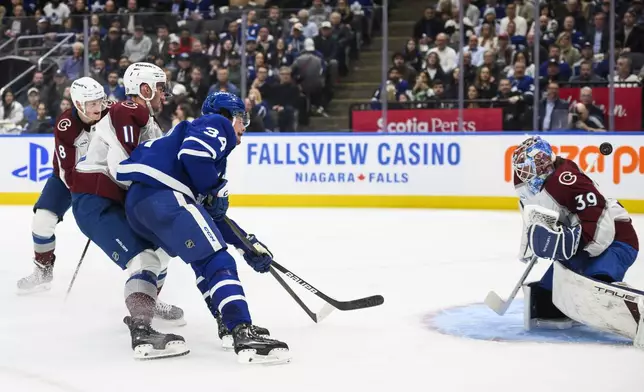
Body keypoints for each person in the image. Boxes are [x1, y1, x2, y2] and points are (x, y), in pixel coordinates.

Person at [116, 92, 291, 365]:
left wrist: (246, 245)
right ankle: (242, 331)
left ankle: (226, 323)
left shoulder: (193, 154)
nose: (244, 127)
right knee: (217, 259)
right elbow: (194, 155)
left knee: (203, 259)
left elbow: (211, 219)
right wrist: (216, 189)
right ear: (227, 115)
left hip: (142, 206)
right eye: (242, 118)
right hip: (164, 195)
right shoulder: (214, 124)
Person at [71, 63, 188, 360]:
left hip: (114, 201)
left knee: (162, 250)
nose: (164, 93)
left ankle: (148, 298)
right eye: (160, 87)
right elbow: (123, 170)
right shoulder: (129, 110)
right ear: (145, 89)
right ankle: (141, 330)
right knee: (144, 259)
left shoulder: (147, 120)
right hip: (96, 201)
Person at [512, 136, 639, 332]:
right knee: (547, 294)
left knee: (595, 284)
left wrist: (577, 247)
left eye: (527, 167)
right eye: (522, 168)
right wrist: (530, 246)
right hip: (579, 241)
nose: (523, 173)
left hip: (616, 240)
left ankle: (628, 306)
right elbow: (533, 217)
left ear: (543, 162)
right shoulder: (526, 185)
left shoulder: (568, 181)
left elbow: (599, 220)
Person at [17, 77, 107, 294]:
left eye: (100, 101)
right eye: (92, 104)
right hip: (66, 180)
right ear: (78, 104)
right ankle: (43, 271)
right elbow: (67, 173)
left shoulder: (112, 114)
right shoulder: (66, 126)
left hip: (105, 178)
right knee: (41, 223)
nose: (98, 108)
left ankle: (144, 287)